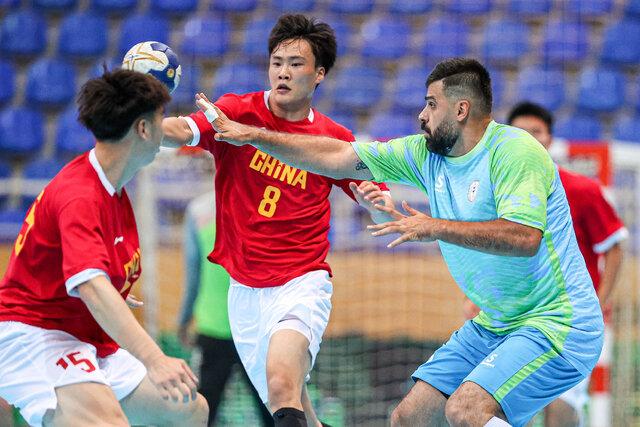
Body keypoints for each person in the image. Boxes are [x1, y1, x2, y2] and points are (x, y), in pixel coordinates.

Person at [197, 57, 605, 427]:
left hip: (557, 323)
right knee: (409, 418)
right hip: (496, 322)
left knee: (466, 411)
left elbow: (524, 237)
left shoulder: (514, 151)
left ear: (461, 110)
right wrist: (255, 136)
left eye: (431, 104)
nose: (422, 115)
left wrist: (436, 227)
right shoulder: (426, 155)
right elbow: (337, 156)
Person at [162, 14, 393, 427]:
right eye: (277, 62)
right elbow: (181, 131)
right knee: (289, 405)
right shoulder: (235, 112)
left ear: (319, 74)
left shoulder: (333, 139)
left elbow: (382, 208)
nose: (283, 72)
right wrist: (138, 119)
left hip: (301, 283)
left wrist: (376, 204)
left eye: (296, 63)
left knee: (282, 382)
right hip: (244, 291)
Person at [0, 69, 208, 427]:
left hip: (86, 336)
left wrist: (114, 291)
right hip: (36, 333)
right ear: (143, 129)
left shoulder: (113, 189)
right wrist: (155, 359)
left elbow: (90, 276)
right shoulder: (80, 195)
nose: (166, 128)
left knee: (188, 409)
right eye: (161, 118)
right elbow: (92, 287)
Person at [461, 102, 627, 427]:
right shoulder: (495, 193)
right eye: (520, 132)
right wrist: (475, 297)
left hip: (568, 321)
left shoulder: (582, 190)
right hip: (514, 317)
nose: (528, 138)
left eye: (535, 132)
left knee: (560, 409)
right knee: (488, 405)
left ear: (550, 139)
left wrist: (599, 302)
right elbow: (487, 253)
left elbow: (615, 248)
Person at [178, 191, 274, 426]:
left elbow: (193, 275)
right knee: (273, 409)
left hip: (215, 326)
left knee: (204, 411)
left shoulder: (198, 211)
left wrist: (183, 320)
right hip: (254, 327)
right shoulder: (265, 204)